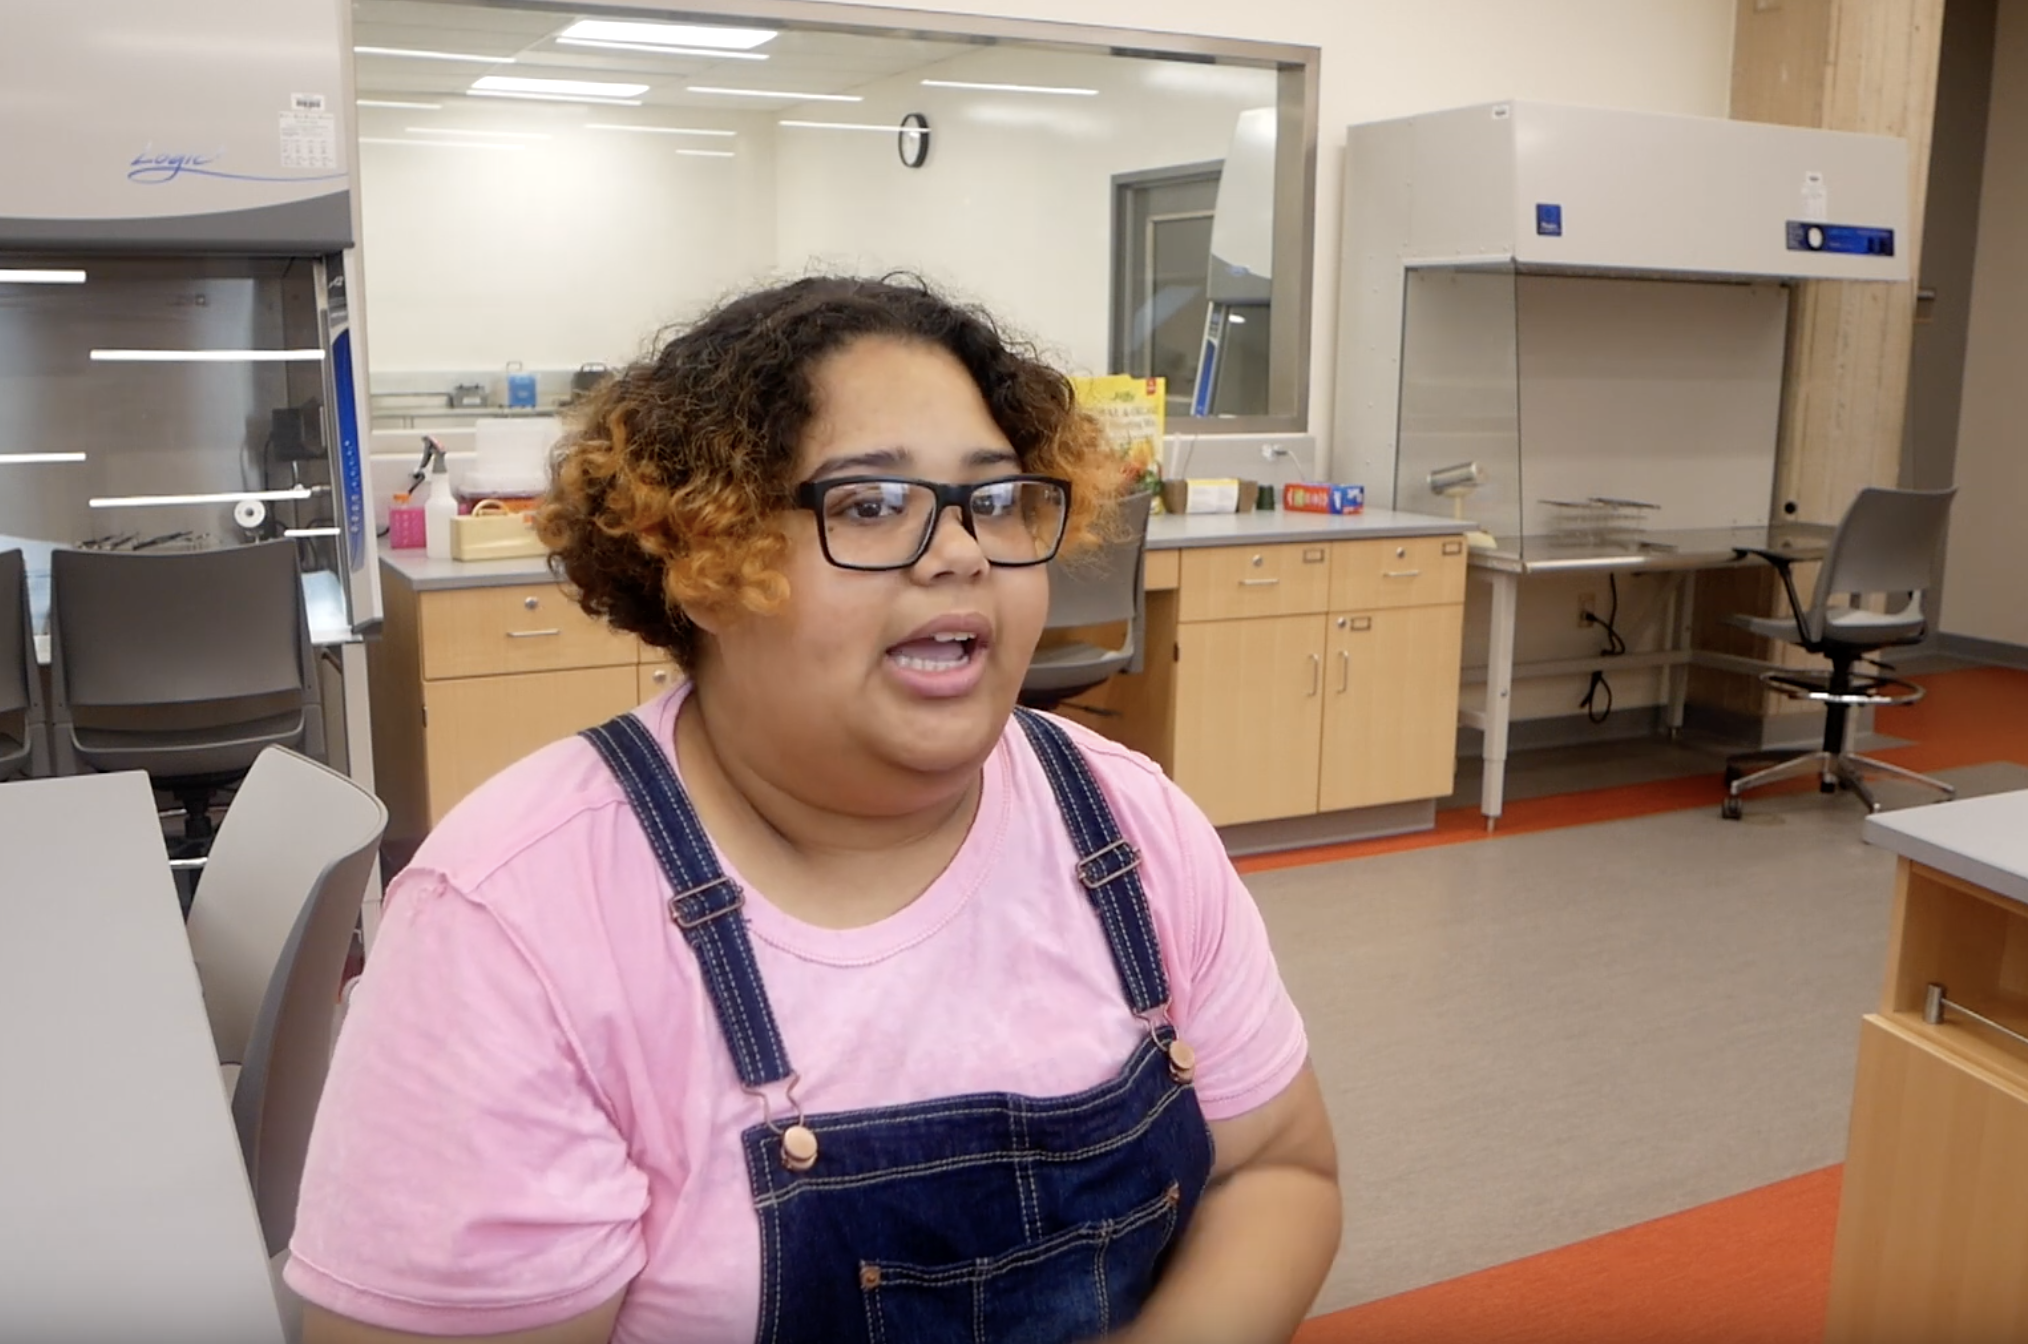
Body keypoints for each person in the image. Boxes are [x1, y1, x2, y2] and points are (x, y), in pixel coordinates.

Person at [288, 275, 1341, 1344]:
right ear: (703, 565)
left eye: (992, 500)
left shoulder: (1127, 826)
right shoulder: (514, 926)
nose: (963, 552)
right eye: (870, 506)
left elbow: (1276, 1171)